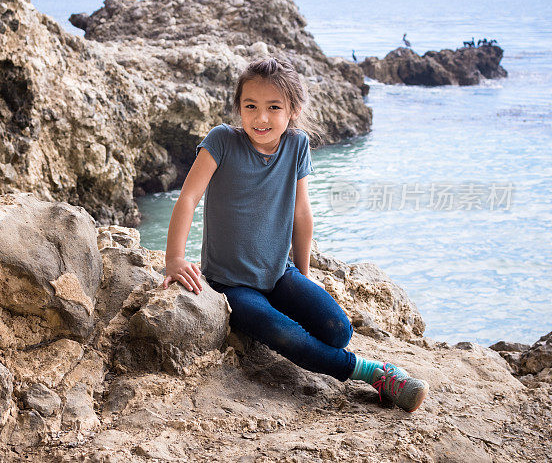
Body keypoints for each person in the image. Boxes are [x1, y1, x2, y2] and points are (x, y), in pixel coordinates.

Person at [160, 57, 429, 412]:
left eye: (274, 108)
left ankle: (328, 343)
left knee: (338, 330)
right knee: (281, 331)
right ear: (238, 106)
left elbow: (301, 213)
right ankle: (374, 374)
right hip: (231, 284)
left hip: (279, 273)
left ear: (293, 110)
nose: (261, 118)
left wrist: (303, 277)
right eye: (250, 106)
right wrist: (175, 259)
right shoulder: (222, 141)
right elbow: (189, 197)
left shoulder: (296, 145)